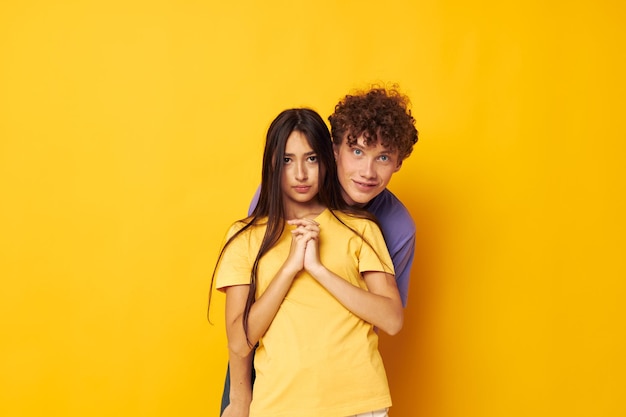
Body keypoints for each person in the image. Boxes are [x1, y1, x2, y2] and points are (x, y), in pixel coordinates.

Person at [219, 86, 419, 416]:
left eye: (383, 157)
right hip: (270, 359)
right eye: (357, 152)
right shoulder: (281, 193)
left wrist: (319, 270)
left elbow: (383, 318)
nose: (367, 172)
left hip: (343, 379)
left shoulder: (391, 226)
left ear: (398, 162)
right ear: (334, 150)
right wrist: (240, 399)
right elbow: (244, 319)